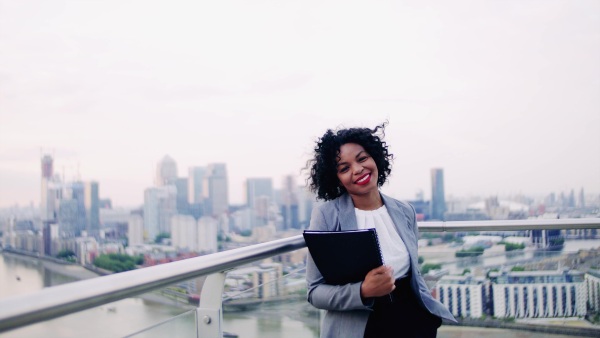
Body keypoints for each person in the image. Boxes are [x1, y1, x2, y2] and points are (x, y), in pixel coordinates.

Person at [305, 122, 456, 338]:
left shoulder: (405, 211)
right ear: (335, 177)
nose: (357, 169)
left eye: (362, 158)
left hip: (414, 322)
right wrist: (363, 291)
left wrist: (429, 317)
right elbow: (314, 291)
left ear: (375, 158)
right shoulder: (327, 216)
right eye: (344, 168)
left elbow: (415, 273)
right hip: (363, 327)